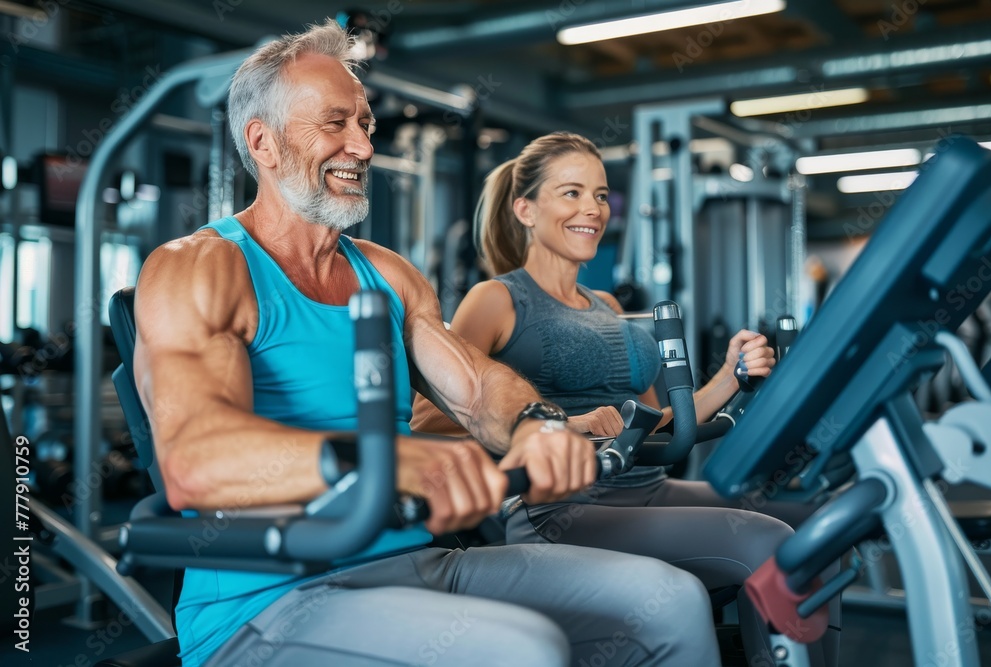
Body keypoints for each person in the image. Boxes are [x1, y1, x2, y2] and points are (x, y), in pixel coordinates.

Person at [133, 21, 722, 667]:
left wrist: (537, 424)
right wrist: (391, 461)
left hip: (416, 561)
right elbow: (194, 461)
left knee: (669, 597)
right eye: (336, 124)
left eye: (365, 124)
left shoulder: (386, 272)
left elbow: (476, 389)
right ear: (263, 143)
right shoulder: (200, 266)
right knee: (521, 649)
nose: (361, 145)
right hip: (269, 602)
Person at [411, 132, 840, 666]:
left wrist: (730, 375)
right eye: (570, 193)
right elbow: (431, 415)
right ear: (525, 208)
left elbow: (657, 421)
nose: (592, 209)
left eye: (599, 195)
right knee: (767, 542)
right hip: (568, 508)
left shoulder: (607, 303)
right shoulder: (497, 298)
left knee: (818, 528)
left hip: (648, 486)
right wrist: (558, 425)